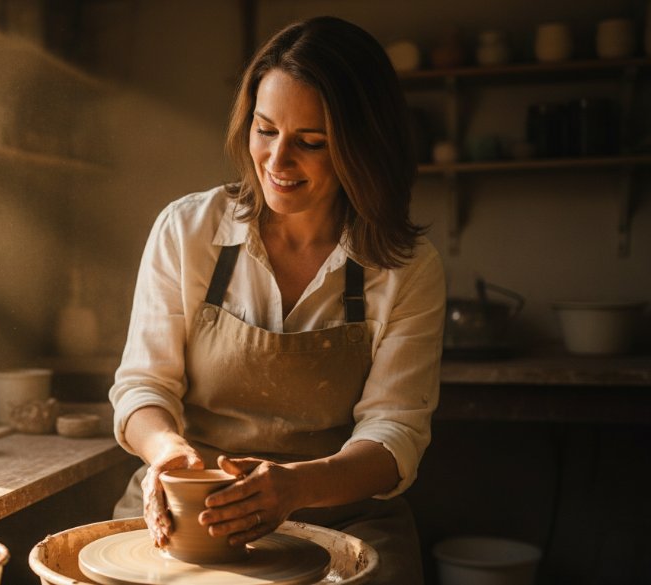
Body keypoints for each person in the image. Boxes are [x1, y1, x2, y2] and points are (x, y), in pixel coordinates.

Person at [108, 16, 445, 584]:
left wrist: (299, 486)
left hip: (343, 514)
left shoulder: (404, 268)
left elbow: (395, 433)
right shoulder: (189, 232)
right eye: (265, 130)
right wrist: (167, 454)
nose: (277, 162)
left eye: (311, 143)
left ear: (361, 149)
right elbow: (142, 385)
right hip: (189, 510)